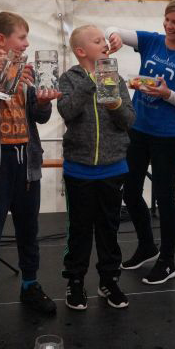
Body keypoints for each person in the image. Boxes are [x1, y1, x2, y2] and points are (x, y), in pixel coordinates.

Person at [0, 11, 60, 326]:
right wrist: (0, 77)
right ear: (1, 39)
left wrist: (44, 101)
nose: (27, 43)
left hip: (26, 160)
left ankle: (30, 284)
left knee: (29, 228)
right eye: (22, 37)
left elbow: (39, 116)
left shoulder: (27, 71)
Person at [106, 0, 175, 284]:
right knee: (130, 192)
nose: (169, 26)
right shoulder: (151, 41)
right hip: (137, 130)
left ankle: (167, 260)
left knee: (164, 198)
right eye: (167, 20)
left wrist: (167, 94)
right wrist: (113, 38)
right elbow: (113, 29)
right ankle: (147, 246)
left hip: (167, 137)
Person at [57, 25, 135, 310]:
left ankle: (109, 280)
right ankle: (75, 281)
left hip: (113, 168)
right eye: (97, 40)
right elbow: (67, 111)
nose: (105, 43)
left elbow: (128, 120)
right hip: (79, 169)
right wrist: (92, 81)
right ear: (81, 51)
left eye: (104, 39)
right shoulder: (68, 79)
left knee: (108, 228)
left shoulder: (117, 78)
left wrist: (115, 105)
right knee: (79, 230)